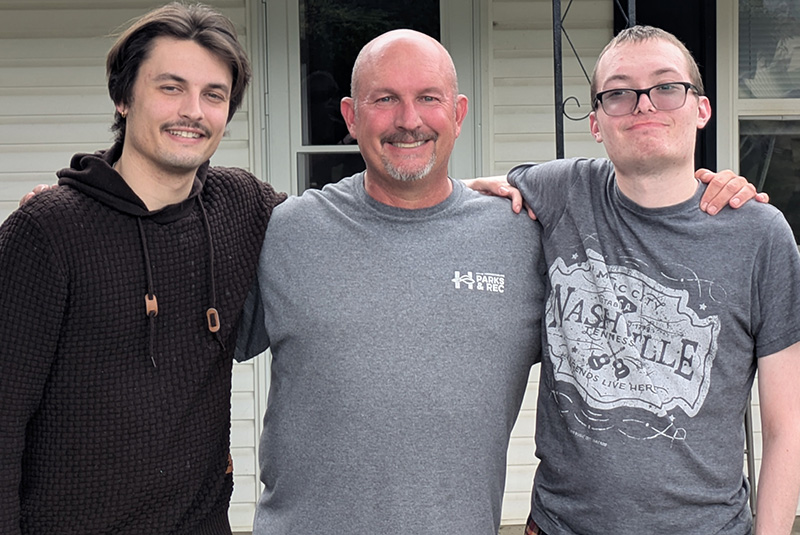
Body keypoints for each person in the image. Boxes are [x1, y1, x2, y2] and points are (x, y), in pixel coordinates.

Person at [235, 29, 763, 535]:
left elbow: (637, 243)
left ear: (459, 113)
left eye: (428, 98)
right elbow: (203, 354)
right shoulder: (288, 231)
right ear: (351, 116)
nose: (409, 120)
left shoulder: (520, 237)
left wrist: (702, 201)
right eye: (385, 99)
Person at [503, 26, 800, 535]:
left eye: (666, 87)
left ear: (701, 109)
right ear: (596, 123)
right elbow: (448, 198)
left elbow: (786, 424)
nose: (644, 104)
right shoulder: (562, 192)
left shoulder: (759, 235)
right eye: (619, 93)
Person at [0, 3, 284, 534]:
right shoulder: (47, 231)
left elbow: (342, 229)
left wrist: (449, 205)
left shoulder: (241, 206)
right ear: (123, 97)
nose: (193, 111)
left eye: (214, 95)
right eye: (170, 88)